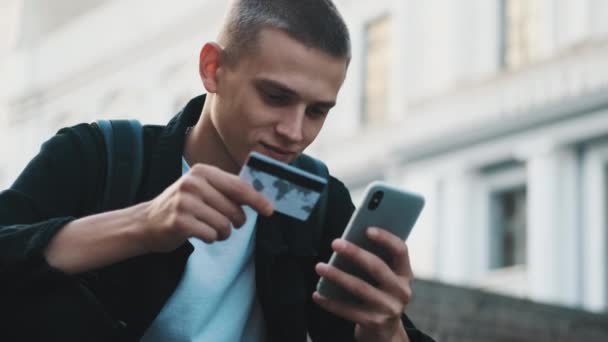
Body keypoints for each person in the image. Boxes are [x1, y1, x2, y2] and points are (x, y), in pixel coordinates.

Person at [0, 1, 435, 341]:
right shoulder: (98, 155)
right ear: (213, 69)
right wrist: (142, 225)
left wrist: (385, 329)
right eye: (275, 96)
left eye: (318, 111)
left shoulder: (319, 203)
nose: (294, 131)